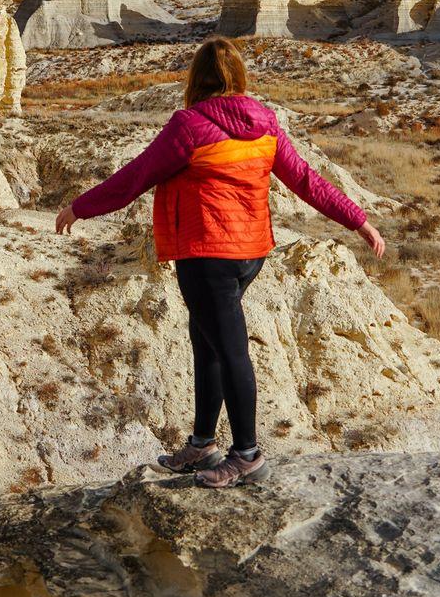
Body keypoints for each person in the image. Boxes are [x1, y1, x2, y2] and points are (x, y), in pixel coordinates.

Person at [55, 36, 386, 490]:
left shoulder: (189, 126)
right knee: (206, 341)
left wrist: (81, 207)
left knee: (229, 350)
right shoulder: (265, 123)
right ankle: (202, 443)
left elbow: (137, 175)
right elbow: (306, 180)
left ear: (197, 79)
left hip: (208, 253)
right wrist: (359, 221)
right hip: (250, 253)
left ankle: (247, 454)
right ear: (239, 78)